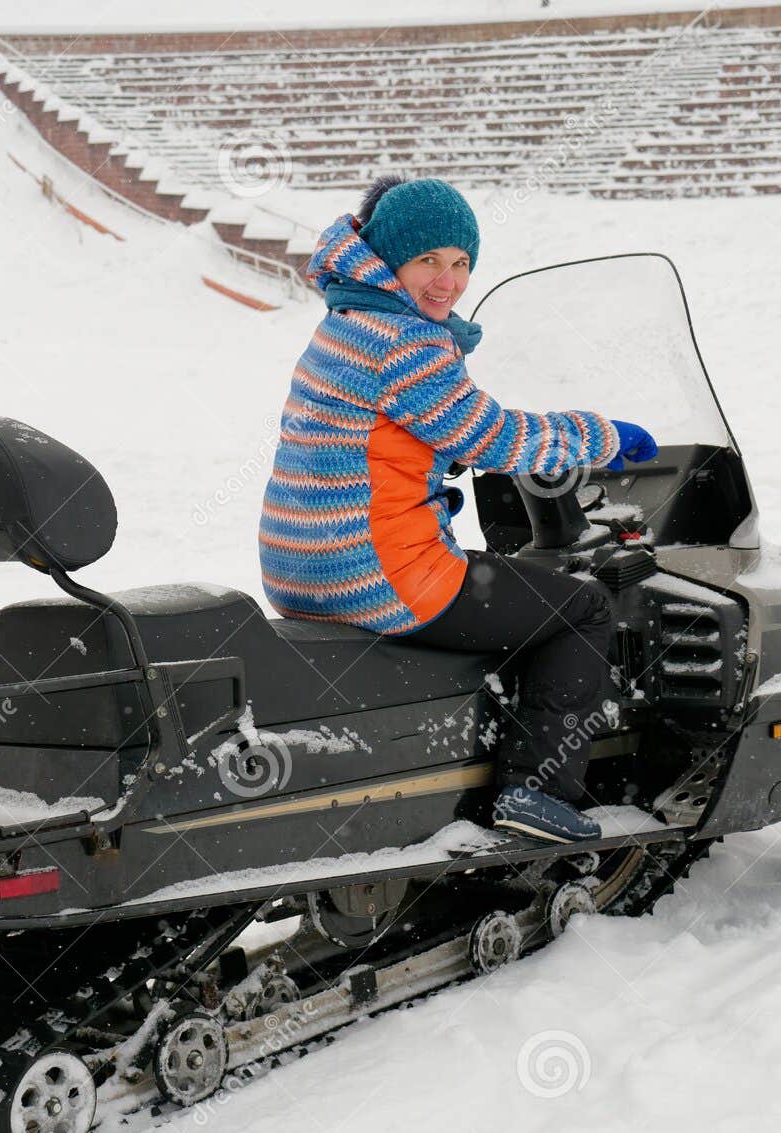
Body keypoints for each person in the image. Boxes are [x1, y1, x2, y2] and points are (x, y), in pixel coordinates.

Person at [258, 175, 658, 843]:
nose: (446, 282)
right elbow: (495, 436)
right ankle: (535, 790)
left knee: (503, 590)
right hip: (377, 572)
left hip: (302, 566)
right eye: (428, 262)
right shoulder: (408, 339)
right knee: (580, 608)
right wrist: (606, 436)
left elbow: (378, 433)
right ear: (390, 260)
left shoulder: (347, 320)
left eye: (461, 263)